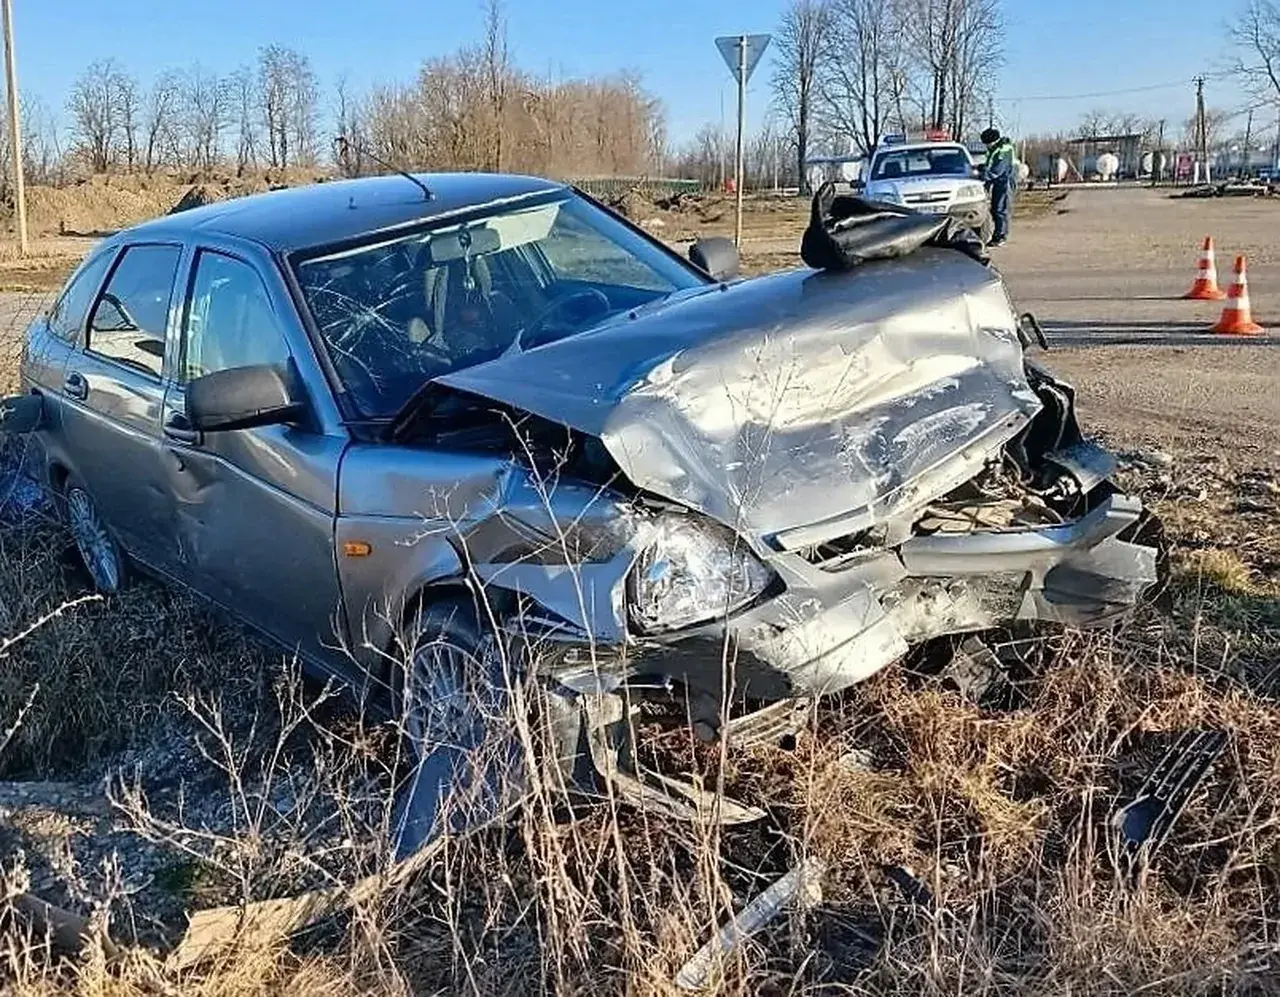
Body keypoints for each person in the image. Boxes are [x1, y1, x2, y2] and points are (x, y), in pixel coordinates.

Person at [980, 127, 1017, 247]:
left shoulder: (1004, 150)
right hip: (999, 182)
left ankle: (1001, 236)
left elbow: (996, 170)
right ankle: (998, 234)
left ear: (992, 141)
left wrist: (982, 175)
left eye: (987, 143)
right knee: (996, 208)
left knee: (1001, 209)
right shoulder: (995, 150)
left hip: (1005, 182)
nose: (986, 146)